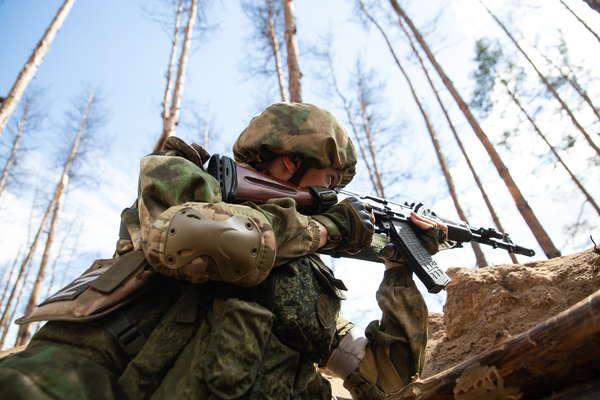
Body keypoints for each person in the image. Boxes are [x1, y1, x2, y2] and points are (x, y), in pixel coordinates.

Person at [0, 102, 448, 399]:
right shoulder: (186, 178)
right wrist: (328, 229)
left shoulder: (309, 279)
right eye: (330, 183)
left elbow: (386, 380)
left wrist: (401, 268)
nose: (336, 199)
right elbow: (188, 239)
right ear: (292, 162)